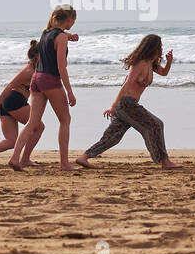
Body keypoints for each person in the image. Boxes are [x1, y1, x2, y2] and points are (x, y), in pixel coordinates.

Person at [76, 34, 180, 169]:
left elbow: (164, 72)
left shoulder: (151, 64)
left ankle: (83, 157)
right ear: (152, 47)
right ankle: (165, 161)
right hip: (127, 104)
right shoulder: (140, 63)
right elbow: (127, 84)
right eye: (159, 46)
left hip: (129, 105)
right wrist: (113, 106)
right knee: (156, 124)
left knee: (113, 136)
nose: (161, 48)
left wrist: (169, 61)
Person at [10, 5, 79, 172]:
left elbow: (58, 35)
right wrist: (69, 91)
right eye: (74, 20)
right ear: (69, 20)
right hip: (51, 79)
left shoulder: (45, 33)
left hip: (36, 79)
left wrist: (69, 36)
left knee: (32, 122)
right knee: (65, 120)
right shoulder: (61, 37)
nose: (74, 22)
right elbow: (61, 67)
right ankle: (64, 163)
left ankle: (15, 158)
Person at [0, 40, 38, 167]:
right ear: (36, 55)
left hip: (8, 103)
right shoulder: (28, 70)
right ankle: (25, 159)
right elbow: (10, 86)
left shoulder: (34, 68)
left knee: (12, 141)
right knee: (38, 126)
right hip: (14, 100)